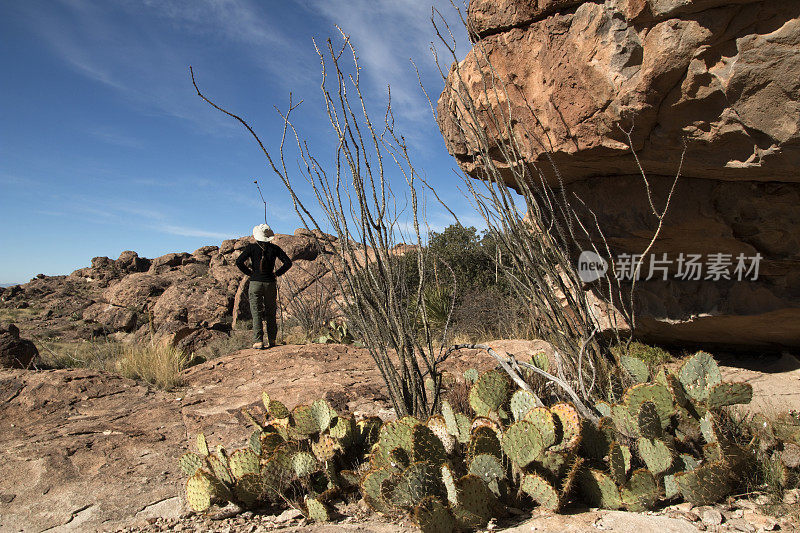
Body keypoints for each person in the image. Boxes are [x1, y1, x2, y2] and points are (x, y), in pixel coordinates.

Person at [236, 224, 292, 349]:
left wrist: (250, 273)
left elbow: (239, 262)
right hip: (270, 283)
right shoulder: (275, 248)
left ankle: (258, 341)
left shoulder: (251, 248)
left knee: (256, 313)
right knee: (271, 312)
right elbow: (288, 263)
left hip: (255, 283)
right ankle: (272, 340)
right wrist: (277, 273)